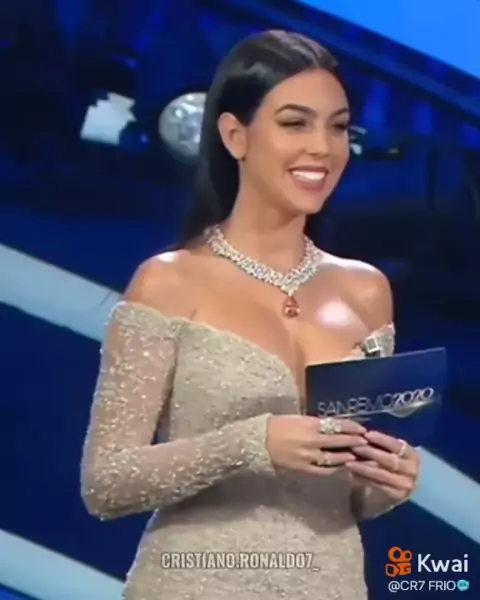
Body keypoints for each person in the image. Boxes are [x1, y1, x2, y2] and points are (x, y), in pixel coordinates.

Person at [80, 30, 420, 599]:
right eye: (295, 123)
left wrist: (385, 483)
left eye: (338, 127)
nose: (322, 147)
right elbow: (105, 484)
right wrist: (251, 443)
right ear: (235, 135)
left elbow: (346, 492)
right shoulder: (169, 282)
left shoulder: (366, 292)